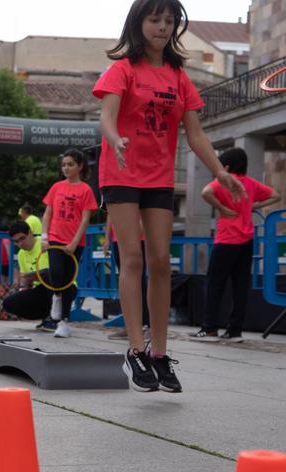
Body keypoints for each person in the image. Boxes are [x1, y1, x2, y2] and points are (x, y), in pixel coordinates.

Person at [95, 0, 246, 393]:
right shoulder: (122, 69)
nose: (162, 27)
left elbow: (194, 134)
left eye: (169, 21)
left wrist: (220, 173)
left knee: (161, 261)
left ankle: (159, 354)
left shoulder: (179, 77)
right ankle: (135, 350)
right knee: (132, 257)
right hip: (123, 172)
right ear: (139, 22)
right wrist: (114, 139)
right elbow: (106, 116)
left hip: (158, 177)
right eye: (155, 19)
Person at [192, 148, 279, 343]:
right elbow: (276, 195)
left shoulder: (225, 180)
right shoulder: (251, 184)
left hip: (226, 240)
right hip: (247, 240)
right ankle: (235, 331)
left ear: (227, 166)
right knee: (240, 286)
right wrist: (253, 206)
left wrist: (222, 208)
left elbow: (205, 192)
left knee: (214, 284)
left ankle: (210, 329)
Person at [40, 149, 98, 338]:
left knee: (67, 279)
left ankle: (63, 321)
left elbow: (85, 220)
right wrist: (44, 237)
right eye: (64, 164)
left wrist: (74, 242)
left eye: (70, 164)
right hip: (55, 237)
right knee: (56, 273)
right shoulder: (56, 187)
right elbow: (48, 213)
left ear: (80, 166)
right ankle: (56, 296)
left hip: (74, 242)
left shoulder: (86, 190)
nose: (66, 168)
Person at [102, 212, 151, 340]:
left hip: (137, 238)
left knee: (139, 280)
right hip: (118, 239)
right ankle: (130, 326)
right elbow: (111, 214)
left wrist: (135, 235)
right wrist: (107, 239)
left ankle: (147, 324)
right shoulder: (113, 193)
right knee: (126, 281)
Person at [2, 221, 54, 323]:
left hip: (61, 287)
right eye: (16, 241)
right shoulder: (21, 254)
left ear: (30, 233)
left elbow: (56, 272)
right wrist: (24, 286)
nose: (20, 244)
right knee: (8, 303)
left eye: (22, 238)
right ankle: (46, 316)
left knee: (49, 276)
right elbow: (26, 283)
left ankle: (55, 317)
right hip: (41, 289)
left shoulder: (44, 244)